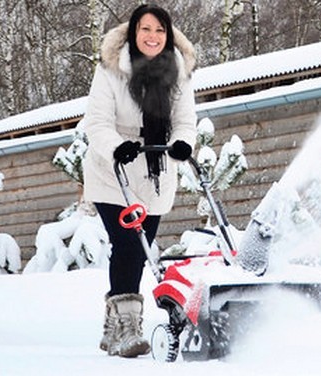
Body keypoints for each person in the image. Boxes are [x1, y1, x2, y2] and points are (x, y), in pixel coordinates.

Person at [81, 4, 197, 358]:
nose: (152, 37)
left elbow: (185, 120)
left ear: (168, 35)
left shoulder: (178, 72)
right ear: (133, 33)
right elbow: (97, 123)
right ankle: (128, 327)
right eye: (146, 29)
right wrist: (119, 147)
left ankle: (111, 325)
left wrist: (182, 144)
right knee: (129, 245)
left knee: (141, 247)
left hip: (155, 172)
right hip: (111, 170)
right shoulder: (111, 69)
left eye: (160, 30)